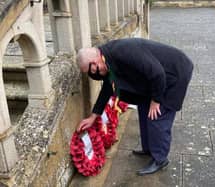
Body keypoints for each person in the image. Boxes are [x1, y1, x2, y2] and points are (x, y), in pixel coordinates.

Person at [76, 38, 193, 175]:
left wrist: (156, 101)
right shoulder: (107, 58)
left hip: (173, 74)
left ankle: (160, 159)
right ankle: (149, 149)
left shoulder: (122, 52)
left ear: (95, 62)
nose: (93, 75)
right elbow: (108, 87)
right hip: (154, 79)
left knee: (157, 116)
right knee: (144, 109)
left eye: (91, 71)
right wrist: (93, 116)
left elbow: (157, 73)